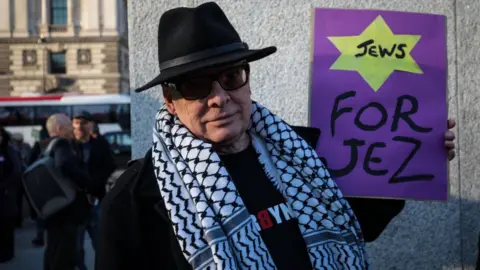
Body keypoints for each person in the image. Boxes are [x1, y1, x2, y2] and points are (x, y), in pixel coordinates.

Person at [96, 2, 457, 270]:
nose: (220, 96)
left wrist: (417, 147)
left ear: (247, 78)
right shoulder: (135, 200)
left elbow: (360, 223)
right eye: (195, 85)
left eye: (232, 76)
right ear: (170, 101)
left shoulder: (303, 153)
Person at [42, 114, 94, 270]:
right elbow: (64, 165)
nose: (72, 129)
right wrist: (86, 181)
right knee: (65, 255)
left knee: (52, 250)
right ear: (59, 129)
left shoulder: (42, 146)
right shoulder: (62, 145)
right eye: (68, 126)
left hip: (50, 208)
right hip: (66, 211)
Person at [72, 111, 116, 270]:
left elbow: (110, 165)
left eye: (83, 123)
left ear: (91, 125)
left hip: (96, 199)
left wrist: (94, 182)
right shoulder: (69, 145)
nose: (80, 126)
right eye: (77, 123)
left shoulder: (100, 144)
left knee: (101, 242)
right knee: (76, 245)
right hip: (76, 203)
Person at [0, 126, 22, 263]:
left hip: (6, 196)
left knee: (6, 226)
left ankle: (6, 254)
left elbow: (16, 172)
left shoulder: (9, 151)